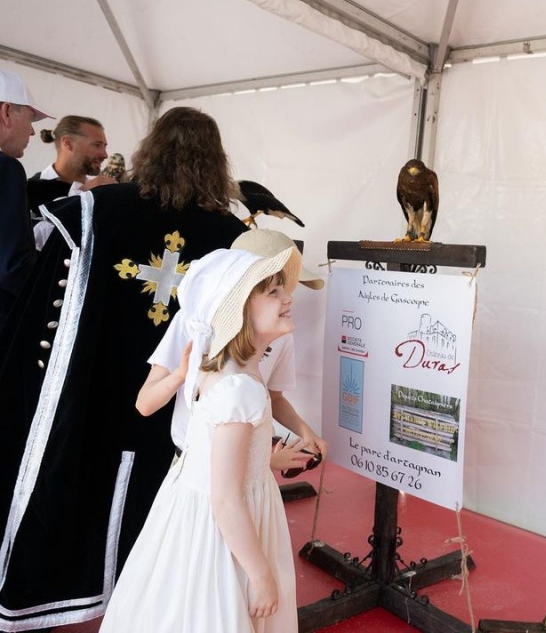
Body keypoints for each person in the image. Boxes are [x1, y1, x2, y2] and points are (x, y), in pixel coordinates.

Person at [0, 107, 248, 630]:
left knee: (90, 476)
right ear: (216, 159)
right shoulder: (231, 233)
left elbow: (46, 292)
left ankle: (79, 592)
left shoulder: (99, 208)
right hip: (179, 390)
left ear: (151, 149)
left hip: (99, 381)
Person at [100, 246, 300, 632]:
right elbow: (225, 500)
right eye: (273, 292)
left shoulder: (226, 374)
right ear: (240, 309)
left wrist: (264, 462)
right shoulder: (239, 389)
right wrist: (259, 574)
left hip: (197, 513)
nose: (288, 297)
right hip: (221, 529)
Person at [141, 228, 328, 472]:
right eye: (273, 287)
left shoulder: (281, 336)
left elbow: (274, 397)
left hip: (249, 466)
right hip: (195, 469)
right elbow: (145, 404)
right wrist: (180, 375)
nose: (289, 296)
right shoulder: (195, 325)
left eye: (288, 285)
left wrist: (306, 433)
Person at [0, 70, 52, 331]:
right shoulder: (5, 168)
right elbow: (13, 265)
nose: (32, 132)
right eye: (31, 119)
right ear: (6, 112)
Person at [26, 115, 115, 214]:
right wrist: (82, 193)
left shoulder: (101, 189)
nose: (105, 155)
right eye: (97, 145)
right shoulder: (29, 191)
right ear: (68, 143)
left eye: (104, 146)